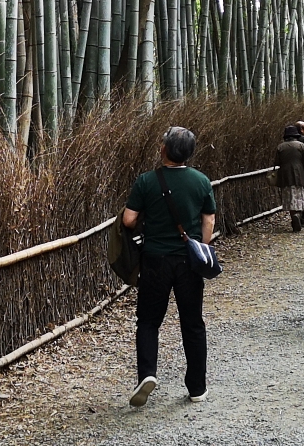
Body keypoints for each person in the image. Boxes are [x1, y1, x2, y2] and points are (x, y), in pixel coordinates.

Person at [121, 127, 217, 406]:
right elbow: (208, 221)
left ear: (164, 149)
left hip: (155, 261)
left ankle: (147, 374)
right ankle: (197, 387)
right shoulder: (201, 181)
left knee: (149, 321)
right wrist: (201, 248)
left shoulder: (146, 181)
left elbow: (128, 220)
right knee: (193, 323)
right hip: (189, 262)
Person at [275, 124, 304, 231]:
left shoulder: (280, 147)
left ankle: (293, 215)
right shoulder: (300, 145)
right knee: (300, 195)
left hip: (285, 175)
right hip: (299, 174)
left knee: (289, 196)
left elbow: (276, 162)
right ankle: (299, 214)